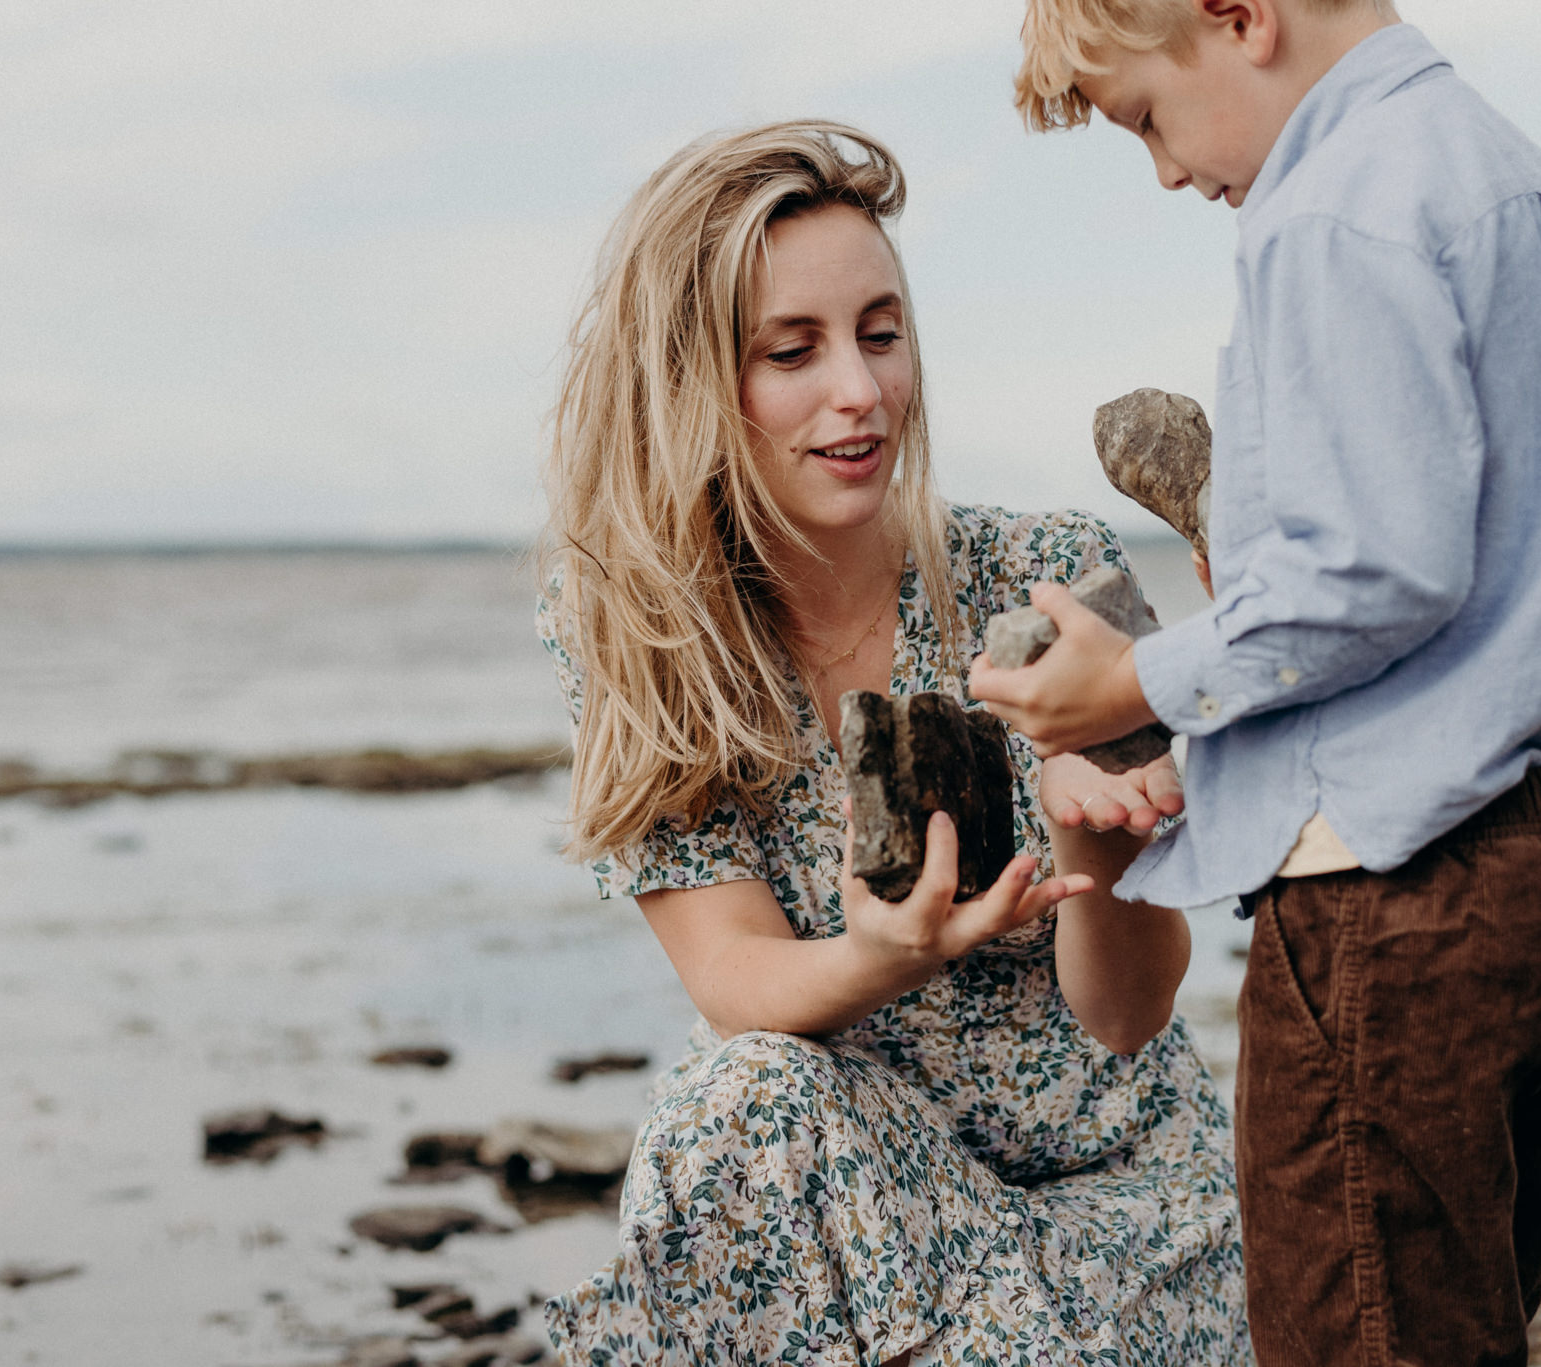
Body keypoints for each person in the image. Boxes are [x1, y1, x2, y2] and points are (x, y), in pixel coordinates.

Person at [978, 2, 1541, 1362]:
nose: (1169, 173)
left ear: (1236, 15)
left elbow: (1370, 566)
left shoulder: (1331, 210)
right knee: (1452, 1320)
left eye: (1144, 119)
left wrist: (1134, 675)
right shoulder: (1514, 178)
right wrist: (1238, 760)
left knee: (1350, 1333)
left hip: (1396, 894)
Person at [534, 120, 1249, 1365]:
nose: (857, 391)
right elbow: (736, 980)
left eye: (878, 332)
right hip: (846, 1182)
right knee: (732, 1103)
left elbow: (1130, 1012)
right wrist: (889, 950)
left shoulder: (1043, 577)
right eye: (791, 351)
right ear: (695, 379)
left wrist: (1083, 811)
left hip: (1107, 1198)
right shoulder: (640, 632)